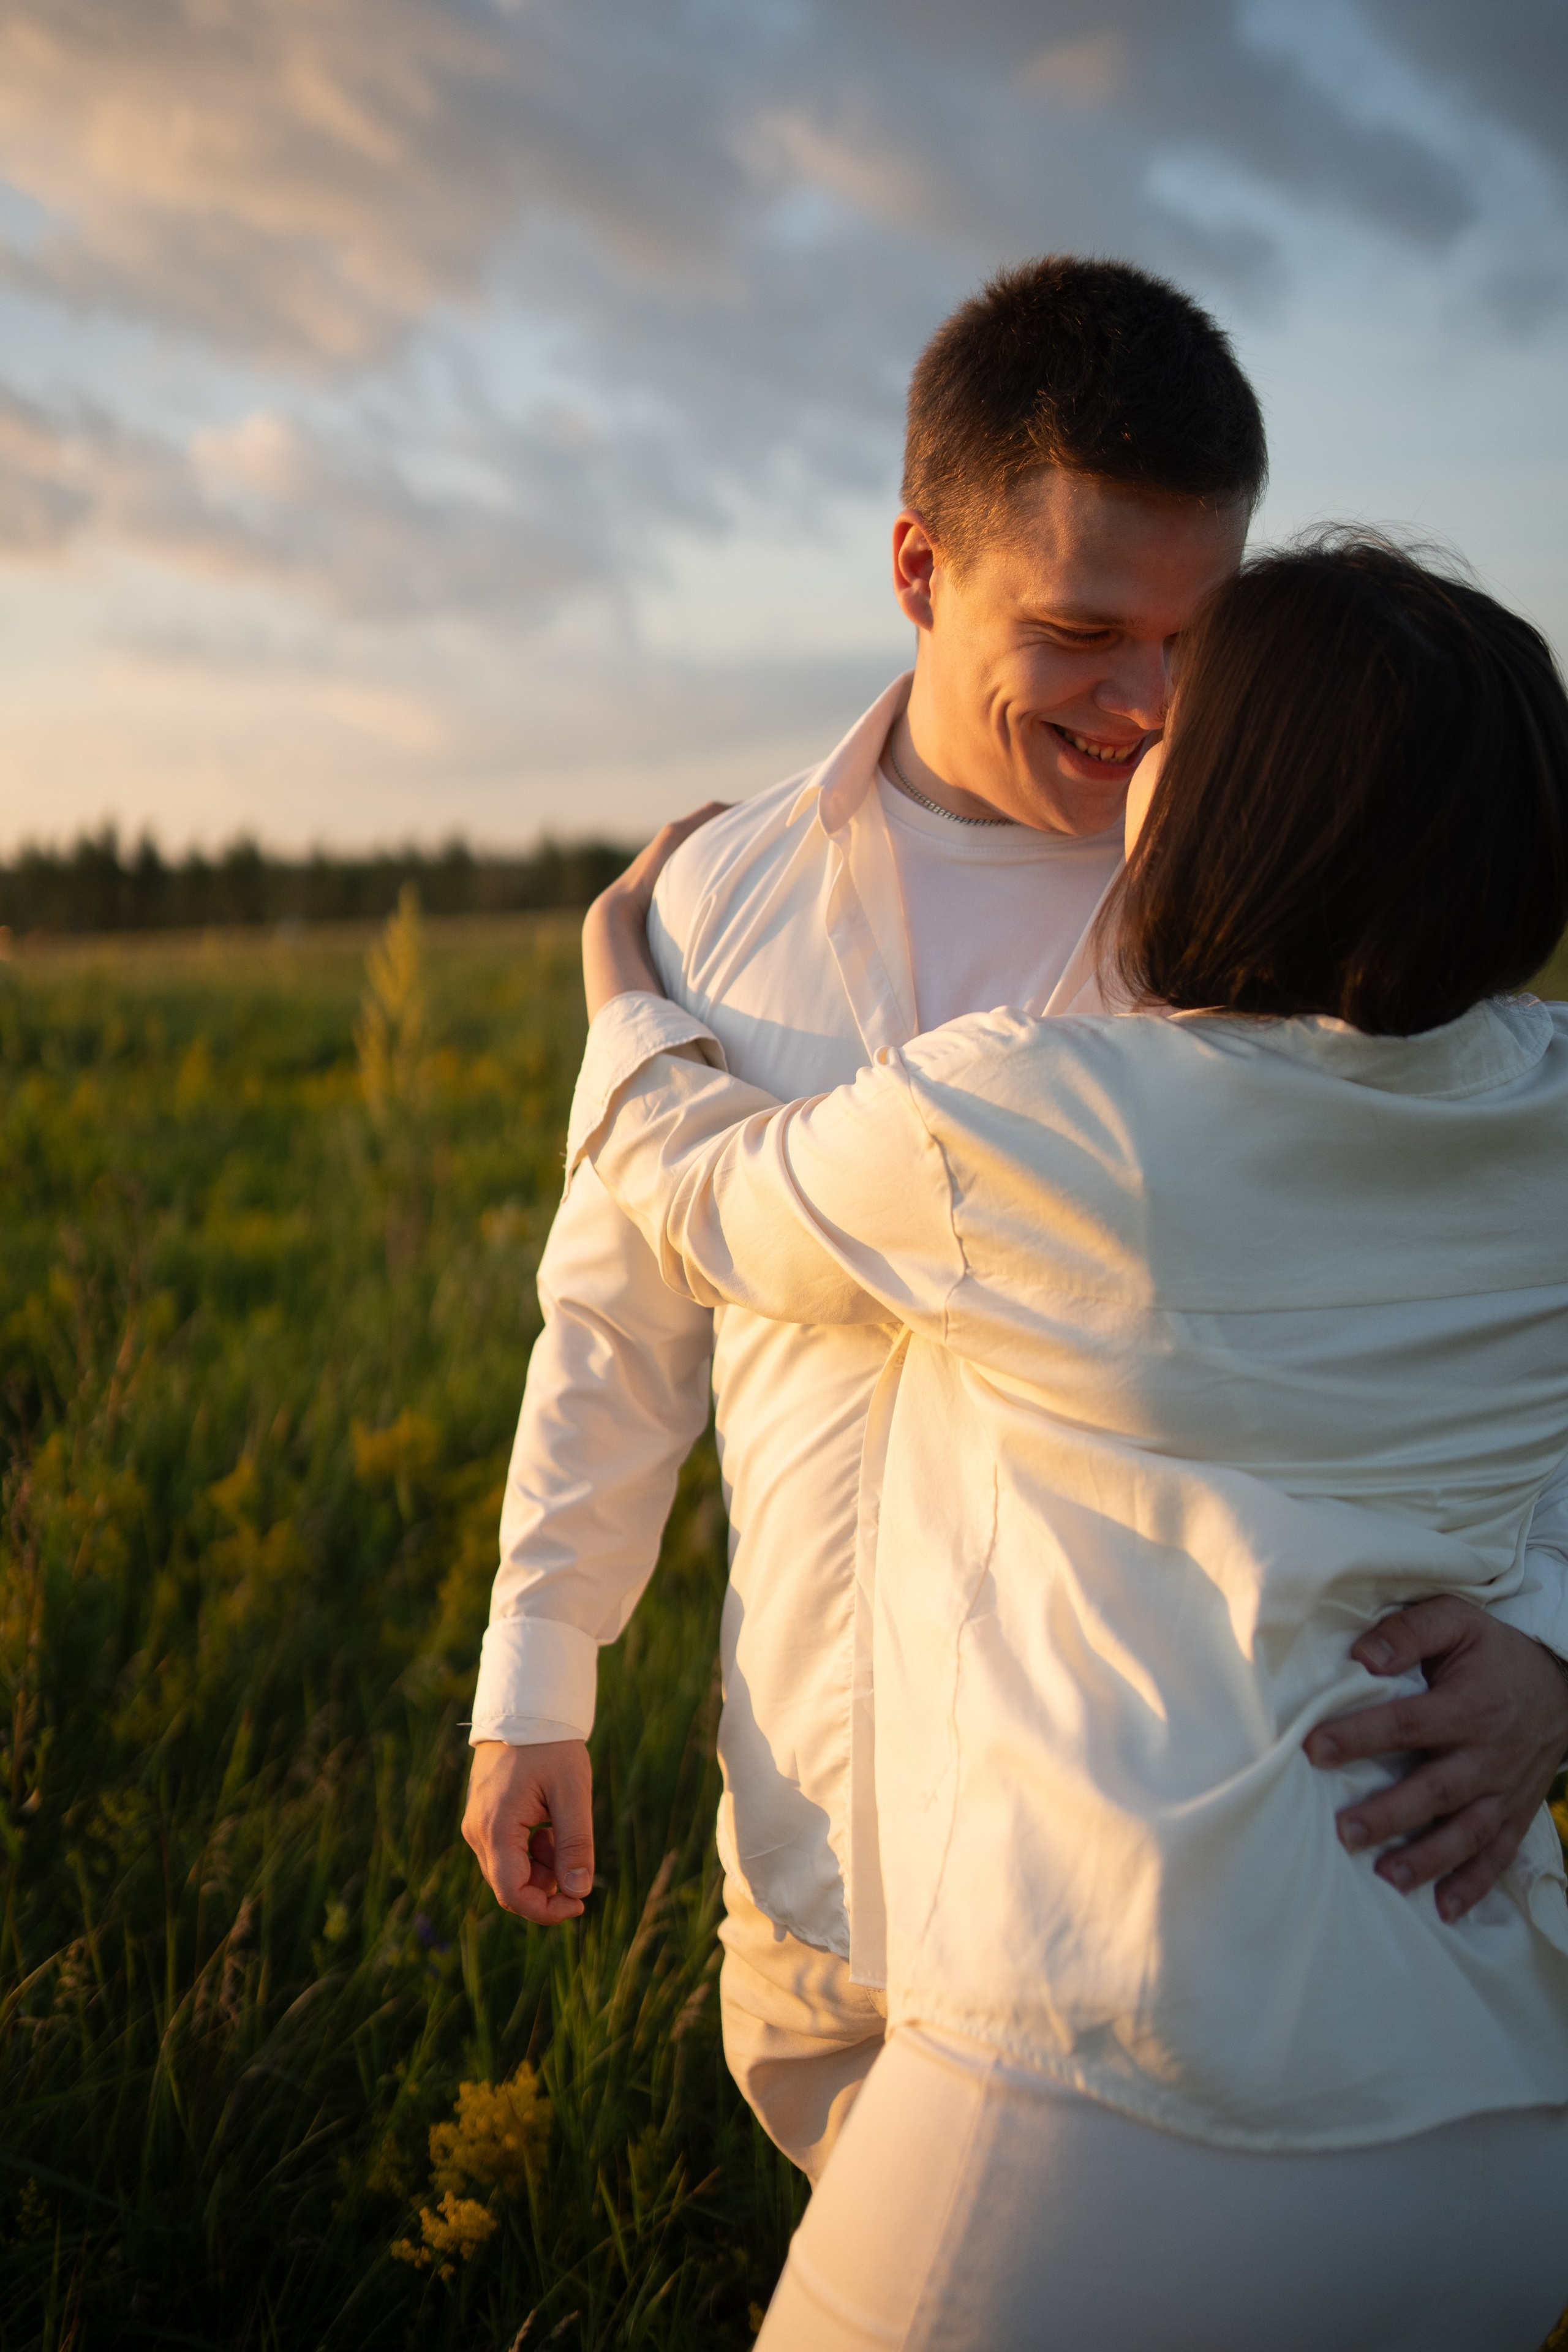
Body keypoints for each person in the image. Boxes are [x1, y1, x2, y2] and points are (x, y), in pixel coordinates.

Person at [462, 257, 1568, 2181]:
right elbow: (618, 1319)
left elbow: (1492, 1300)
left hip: (1174, 1931)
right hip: (817, 1857)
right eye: (1082, 631)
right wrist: (536, 1681)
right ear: (916, 568)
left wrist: (1554, 1647)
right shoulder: (717, 900)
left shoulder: (1325, 912)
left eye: (1194, 640)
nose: (1147, 705)